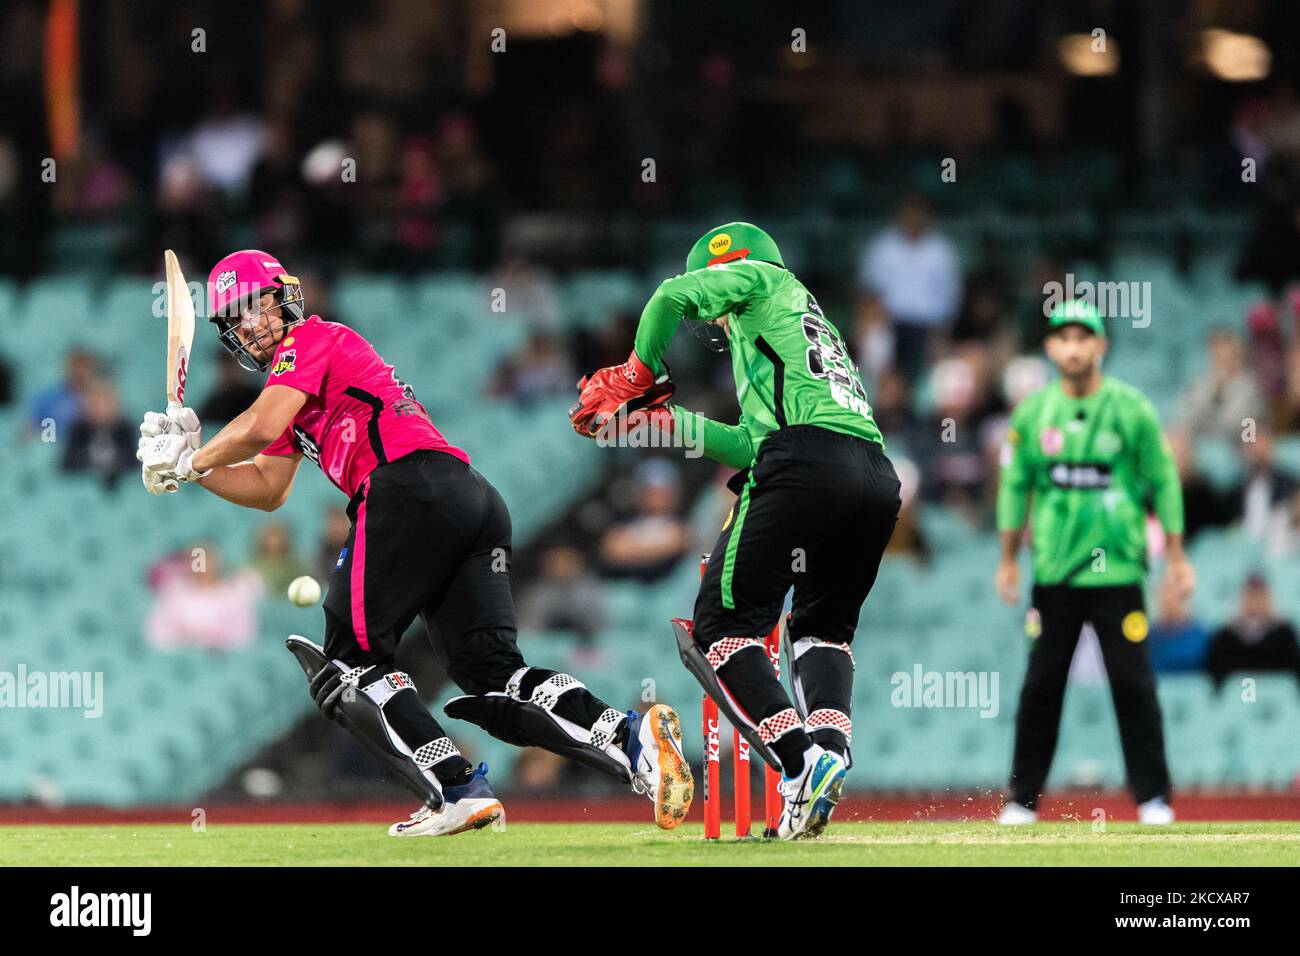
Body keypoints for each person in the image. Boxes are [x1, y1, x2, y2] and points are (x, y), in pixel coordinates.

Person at [136, 249, 692, 837]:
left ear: (284, 298)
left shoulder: (313, 339)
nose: (248, 326)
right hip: (466, 500)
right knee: (492, 674)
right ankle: (633, 741)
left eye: (254, 308)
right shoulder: (291, 387)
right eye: (234, 322)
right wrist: (192, 472)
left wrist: (191, 453)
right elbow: (268, 487)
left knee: (348, 659)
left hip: (406, 490)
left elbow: (258, 426)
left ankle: (454, 788)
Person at [569, 222, 901, 840]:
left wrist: (637, 375)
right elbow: (749, 443)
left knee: (723, 624)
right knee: (821, 629)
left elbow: (670, 296)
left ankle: (798, 762)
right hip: (874, 476)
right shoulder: (803, 327)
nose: (716, 324)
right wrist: (664, 421)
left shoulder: (762, 279)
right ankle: (827, 756)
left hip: (804, 463)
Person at [995, 299, 1195, 826]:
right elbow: (1016, 487)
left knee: (1134, 686)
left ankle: (1154, 799)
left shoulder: (1132, 409)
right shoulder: (1033, 414)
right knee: (1041, 686)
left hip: (1119, 574)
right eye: (1065, 337)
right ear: (1050, 347)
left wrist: (1175, 556)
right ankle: (1021, 801)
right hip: (1056, 574)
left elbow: (1164, 480)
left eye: (1085, 337)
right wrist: (1009, 559)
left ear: (1101, 346)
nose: (1075, 346)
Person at [1205, 574, 1300, 689]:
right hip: (1237, 700)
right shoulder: (1225, 637)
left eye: (1260, 594)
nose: (1256, 601)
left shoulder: (1284, 634)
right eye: (1251, 594)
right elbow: (1215, 679)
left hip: (1274, 699)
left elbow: (1293, 675)